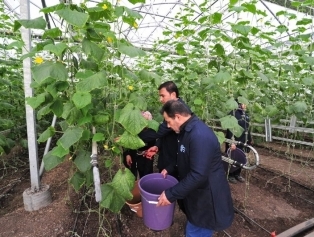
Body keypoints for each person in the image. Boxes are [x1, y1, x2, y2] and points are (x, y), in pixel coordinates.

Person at [156, 100, 234, 236]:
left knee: (196, 230)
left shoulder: (199, 135)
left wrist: (171, 194)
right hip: (198, 194)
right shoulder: (186, 132)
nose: (168, 126)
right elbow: (185, 156)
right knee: (194, 226)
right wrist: (171, 168)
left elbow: (198, 174)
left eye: (168, 121)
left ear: (178, 117)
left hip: (207, 199)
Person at [145, 81, 191, 178]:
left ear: (173, 94)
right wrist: (157, 146)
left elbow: (160, 131)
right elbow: (166, 132)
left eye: (162, 96)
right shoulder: (171, 108)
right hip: (167, 157)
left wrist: (134, 137)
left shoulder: (181, 111)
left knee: (172, 188)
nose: (160, 99)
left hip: (175, 163)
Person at [123, 111, 157, 179]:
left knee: (146, 175)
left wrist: (129, 137)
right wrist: (127, 154)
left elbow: (145, 137)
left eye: (146, 120)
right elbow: (125, 143)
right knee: (132, 173)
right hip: (133, 155)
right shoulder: (132, 129)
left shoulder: (152, 131)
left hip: (146, 156)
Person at [225, 100, 252, 184]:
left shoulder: (245, 115)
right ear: (239, 104)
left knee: (241, 157)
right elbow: (230, 129)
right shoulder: (232, 114)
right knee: (232, 157)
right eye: (244, 103)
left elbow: (248, 128)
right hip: (234, 139)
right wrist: (231, 142)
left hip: (243, 140)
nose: (246, 105)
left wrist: (249, 140)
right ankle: (230, 174)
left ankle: (237, 173)